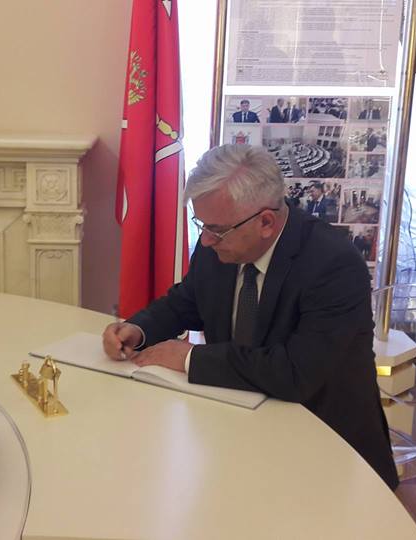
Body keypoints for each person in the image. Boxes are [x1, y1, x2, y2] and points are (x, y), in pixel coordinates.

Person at [102, 143, 399, 490]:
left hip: (325, 450)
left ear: (266, 222)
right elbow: (187, 301)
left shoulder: (333, 265)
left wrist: (189, 358)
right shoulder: (221, 240)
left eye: (216, 230)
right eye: (202, 225)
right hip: (237, 431)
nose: (206, 240)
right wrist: (137, 329)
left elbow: (295, 373)